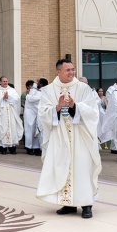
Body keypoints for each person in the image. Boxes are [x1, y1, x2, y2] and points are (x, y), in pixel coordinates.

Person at [36, 59, 102, 218]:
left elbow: (93, 111)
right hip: (59, 136)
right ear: (58, 72)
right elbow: (43, 113)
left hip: (80, 135)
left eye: (73, 69)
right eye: (68, 70)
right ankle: (68, 203)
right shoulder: (48, 90)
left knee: (82, 168)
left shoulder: (83, 88)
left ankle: (86, 204)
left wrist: (75, 106)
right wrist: (57, 108)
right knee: (62, 166)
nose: (72, 73)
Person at [0, 76, 23, 154]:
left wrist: (8, 97)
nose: (5, 83)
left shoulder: (12, 90)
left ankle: (12, 149)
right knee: (3, 128)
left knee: (12, 129)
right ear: (0, 82)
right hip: (2, 114)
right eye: (3, 81)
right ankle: (3, 149)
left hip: (11, 114)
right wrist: (2, 98)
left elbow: (16, 99)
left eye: (6, 81)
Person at [23, 78, 45, 156]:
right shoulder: (34, 89)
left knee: (37, 130)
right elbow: (30, 100)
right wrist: (29, 96)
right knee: (30, 130)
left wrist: (28, 96)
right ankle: (29, 147)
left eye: (38, 82)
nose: (36, 83)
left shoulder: (44, 91)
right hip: (30, 112)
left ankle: (36, 147)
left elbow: (33, 98)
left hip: (38, 112)